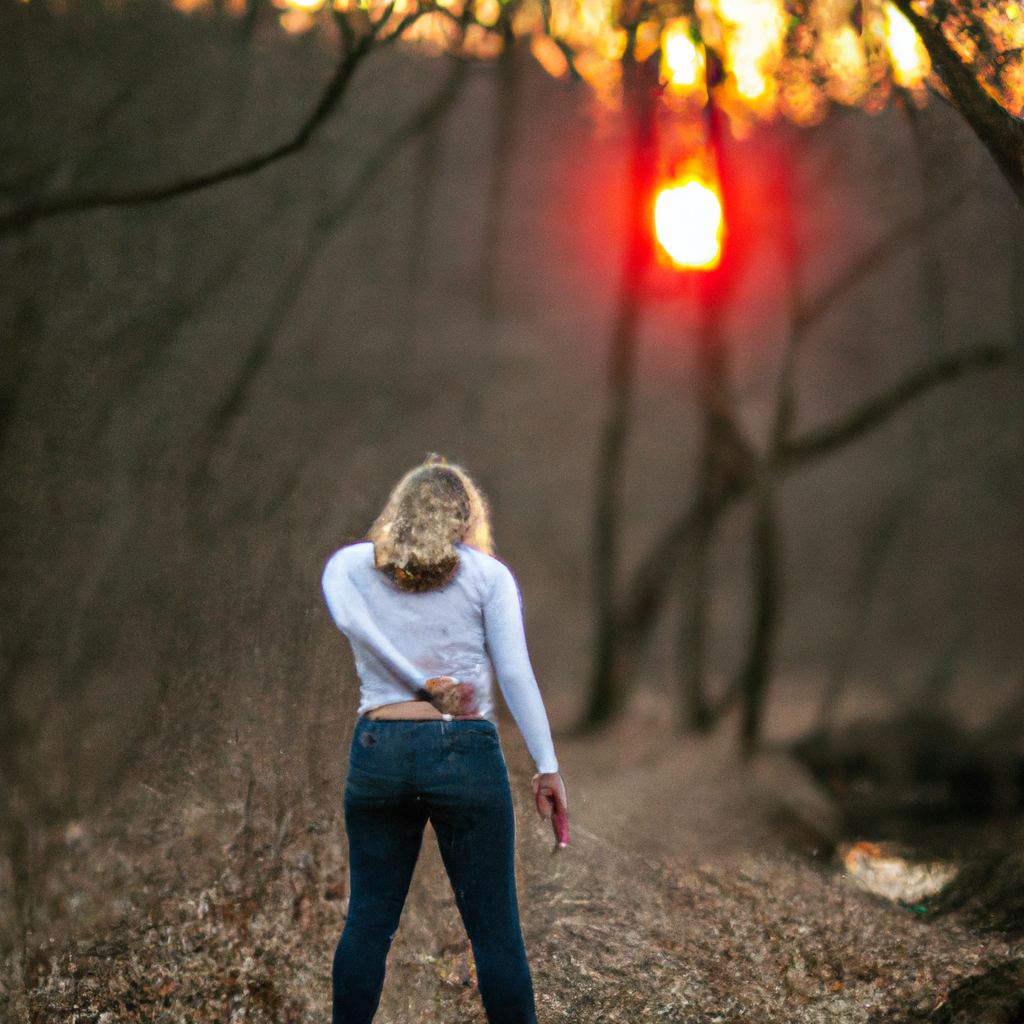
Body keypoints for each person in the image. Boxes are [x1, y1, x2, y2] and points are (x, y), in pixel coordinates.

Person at [321, 455, 568, 1024]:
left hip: (380, 749)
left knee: (367, 923)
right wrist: (547, 765)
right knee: (495, 933)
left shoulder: (354, 566)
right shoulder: (488, 576)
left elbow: (348, 615)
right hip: (464, 752)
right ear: (465, 519)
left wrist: (407, 683)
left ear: (400, 510)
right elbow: (515, 673)